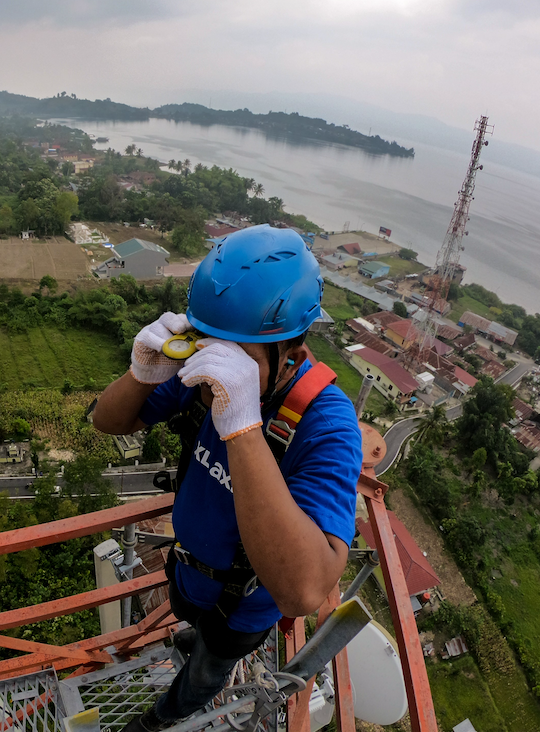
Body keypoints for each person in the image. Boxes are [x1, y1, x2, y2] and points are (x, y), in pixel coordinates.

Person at [91, 225, 362, 731]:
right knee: (192, 631)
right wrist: (142, 372)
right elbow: (109, 421)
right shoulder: (200, 380)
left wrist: (242, 425)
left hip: (243, 610)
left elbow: (304, 592)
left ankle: (160, 720)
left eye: (236, 358)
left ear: (292, 358)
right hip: (188, 576)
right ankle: (191, 639)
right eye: (209, 346)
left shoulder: (326, 425)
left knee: (205, 674)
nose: (216, 368)